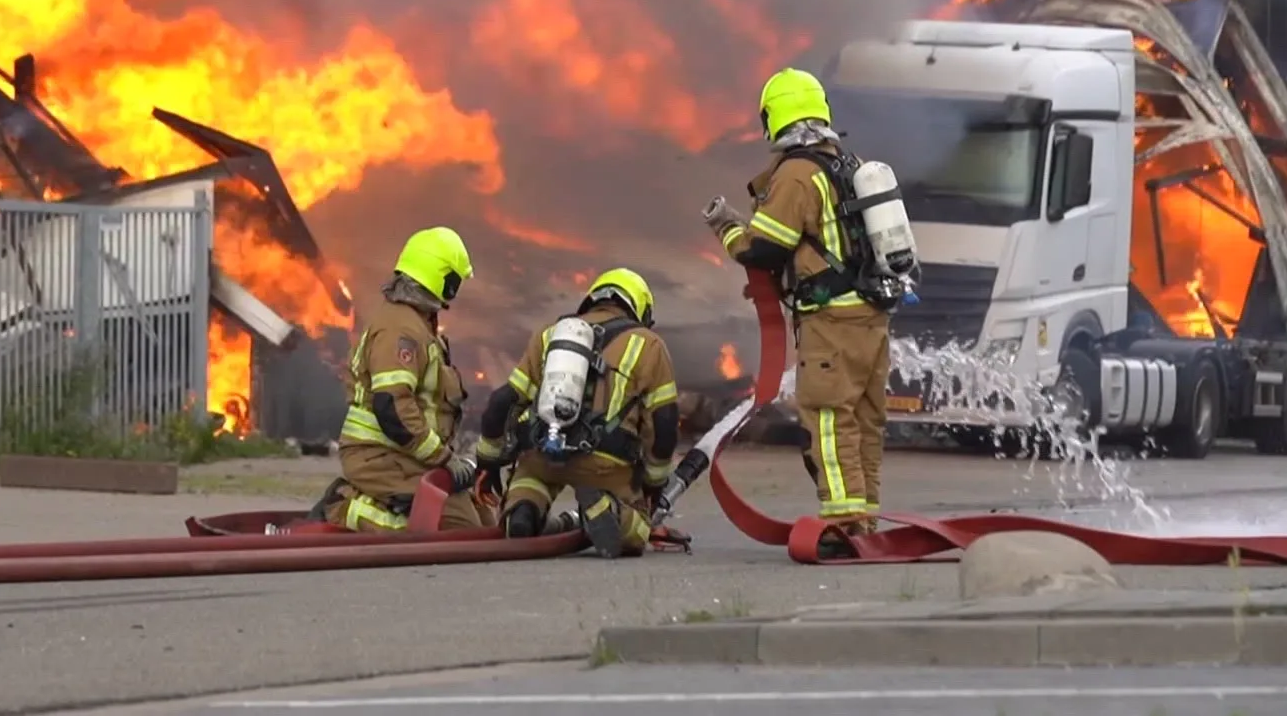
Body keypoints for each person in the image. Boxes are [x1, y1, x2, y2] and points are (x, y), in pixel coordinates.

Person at [701, 68, 907, 559]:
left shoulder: (798, 173)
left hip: (832, 321)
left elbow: (764, 249)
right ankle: (864, 520)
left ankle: (843, 524)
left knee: (830, 421)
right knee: (862, 421)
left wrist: (726, 228)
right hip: (871, 316)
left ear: (773, 117)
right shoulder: (848, 164)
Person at [473, 268, 680, 558]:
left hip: (542, 452)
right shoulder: (648, 344)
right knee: (637, 530)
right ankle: (606, 509)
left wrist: (488, 462)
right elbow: (665, 424)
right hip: (605, 464)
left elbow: (503, 401)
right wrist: (653, 483)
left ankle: (523, 510)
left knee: (532, 478)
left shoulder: (549, 335)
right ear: (640, 310)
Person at [314, 226, 489, 532]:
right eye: (455, 279)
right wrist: (443, 459)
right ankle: (344, 508)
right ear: (441, 278)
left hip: (406, 454)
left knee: (484, 518)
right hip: (380, 458)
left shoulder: (419, 326)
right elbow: (392, 407)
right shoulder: (401, 330)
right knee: (458, 528)